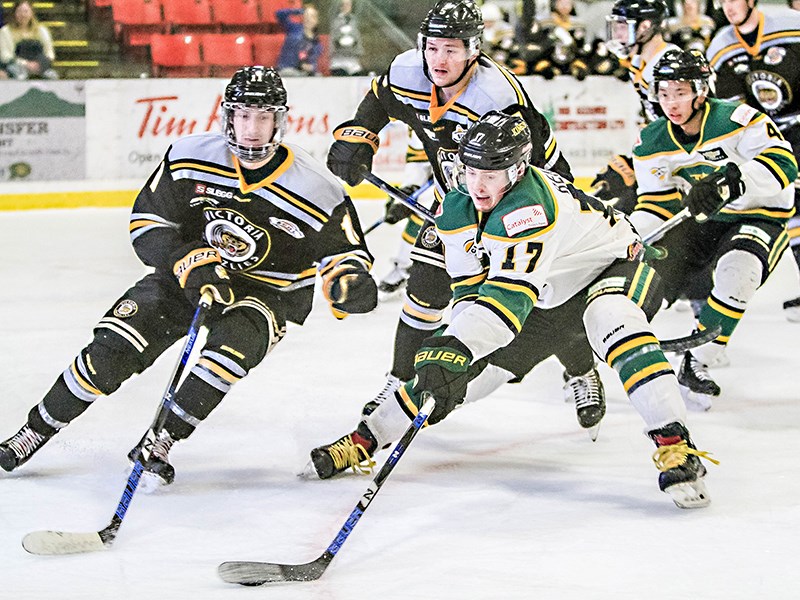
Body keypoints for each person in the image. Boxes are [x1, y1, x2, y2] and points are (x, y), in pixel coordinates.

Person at [313, 111, 718, 509]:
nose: (479, 185)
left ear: (519, 168)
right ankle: (365, 438)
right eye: (471, 171)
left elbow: (507, 299)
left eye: (492, 173)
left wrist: (456, 344)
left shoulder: (529, 208)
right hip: (548, 293)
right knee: (463, 381)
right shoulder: (456, 209)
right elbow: (472, 294)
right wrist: (452, 353)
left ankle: (677, 446)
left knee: (609, 316)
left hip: (615, 267)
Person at [0, 67, 378, 486]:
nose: (252, 130)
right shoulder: (188, 156)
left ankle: (160, 440)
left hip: (265, 294)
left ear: (280, 120)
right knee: (112, 348)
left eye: (263, 117)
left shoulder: (318, 187)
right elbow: (147, 223)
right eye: (243, 116)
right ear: (227, 117)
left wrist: (350, 284)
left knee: (222, 361)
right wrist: (192, 262)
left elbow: (347, 257)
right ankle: (34, 431)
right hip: (184, 277)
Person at [326, 0, 605, 436]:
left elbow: (546, 174)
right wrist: (357, 137)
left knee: (544, 298)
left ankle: (581, 368)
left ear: (474, 50)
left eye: (452, 49)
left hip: (519, 204)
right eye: (433, 47)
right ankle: (399, 382)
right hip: (457, 201)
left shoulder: (499, 100)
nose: (439, 59)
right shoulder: (406, 71)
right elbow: (377, 103)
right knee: (425, 289)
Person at [629, 49, 797, 410]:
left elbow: (785, 163)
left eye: (680, 91)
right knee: (649, 273)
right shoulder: (652, 140)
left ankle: (698, 359)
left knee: (741, 269)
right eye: (664, 93)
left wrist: (731, 182)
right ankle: (611, 340)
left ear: (702, 90)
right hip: (705, 221)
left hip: (759, 214)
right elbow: (655, 204)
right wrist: (632, 234)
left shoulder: (737, 118)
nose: (671, 102)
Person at [706, 0, 800, 321]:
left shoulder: (790, 23)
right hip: (775, 135)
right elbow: (735, 110)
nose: (728, 6)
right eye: (723, 0)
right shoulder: (721, 45)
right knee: (792, 208)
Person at [592, 0, 678, 213]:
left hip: (685, 163)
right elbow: (657, 121)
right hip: (666, 155)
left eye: (623, 26)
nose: (618, 33)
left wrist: (644, 164)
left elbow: (687, 128)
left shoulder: (670, 65)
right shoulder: (639, 63)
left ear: (645, 27)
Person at [0, 1, 57, 80]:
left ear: (31, 13)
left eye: (25, 11)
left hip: (39, 64)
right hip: (15, 65)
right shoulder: (5, 31)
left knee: (52, 76)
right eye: (19, 12)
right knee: (19, 75)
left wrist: (40, 64)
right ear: (14, 13)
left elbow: (49, 53)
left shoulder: (41, 30)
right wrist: (26, 64)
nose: (22, 15)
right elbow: (5, 55)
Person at [276, 2, 323, 76]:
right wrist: (298, 11)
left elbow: (313, 61)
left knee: (318, 76)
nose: (308, 19)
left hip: (302, 71)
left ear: (316, 21)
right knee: (291, 73)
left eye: (312, 16)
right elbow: (279, 14)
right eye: (306, 16)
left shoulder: (316, 43)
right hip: (287, 68)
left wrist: (311, 67)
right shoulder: (293, 28)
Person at [330, 0, 364, 76]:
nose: (346, 7)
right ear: (340, 6)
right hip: (339, 60)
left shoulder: (354, 21)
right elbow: (334, 40)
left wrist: (358, 51)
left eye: (348, 5)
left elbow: (358, 38)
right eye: (344, 5)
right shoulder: (335, 21)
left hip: (353, 60)